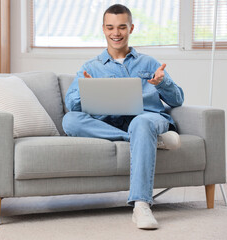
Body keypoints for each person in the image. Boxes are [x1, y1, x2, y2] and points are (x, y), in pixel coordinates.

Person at [62, 4, 184, 230]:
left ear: (131, 28)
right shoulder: (91, 67)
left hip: (148, 118)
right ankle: (146, 140)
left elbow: (177, 100)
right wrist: (84, 89)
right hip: (110, 123)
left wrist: (163, 83)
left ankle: (141, 205)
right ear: (103, 29)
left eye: (121, 27)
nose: (115, 33)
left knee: (140, 123)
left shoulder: (148, 63)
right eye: (110, 27)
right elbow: (71, 105)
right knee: (69, 121)